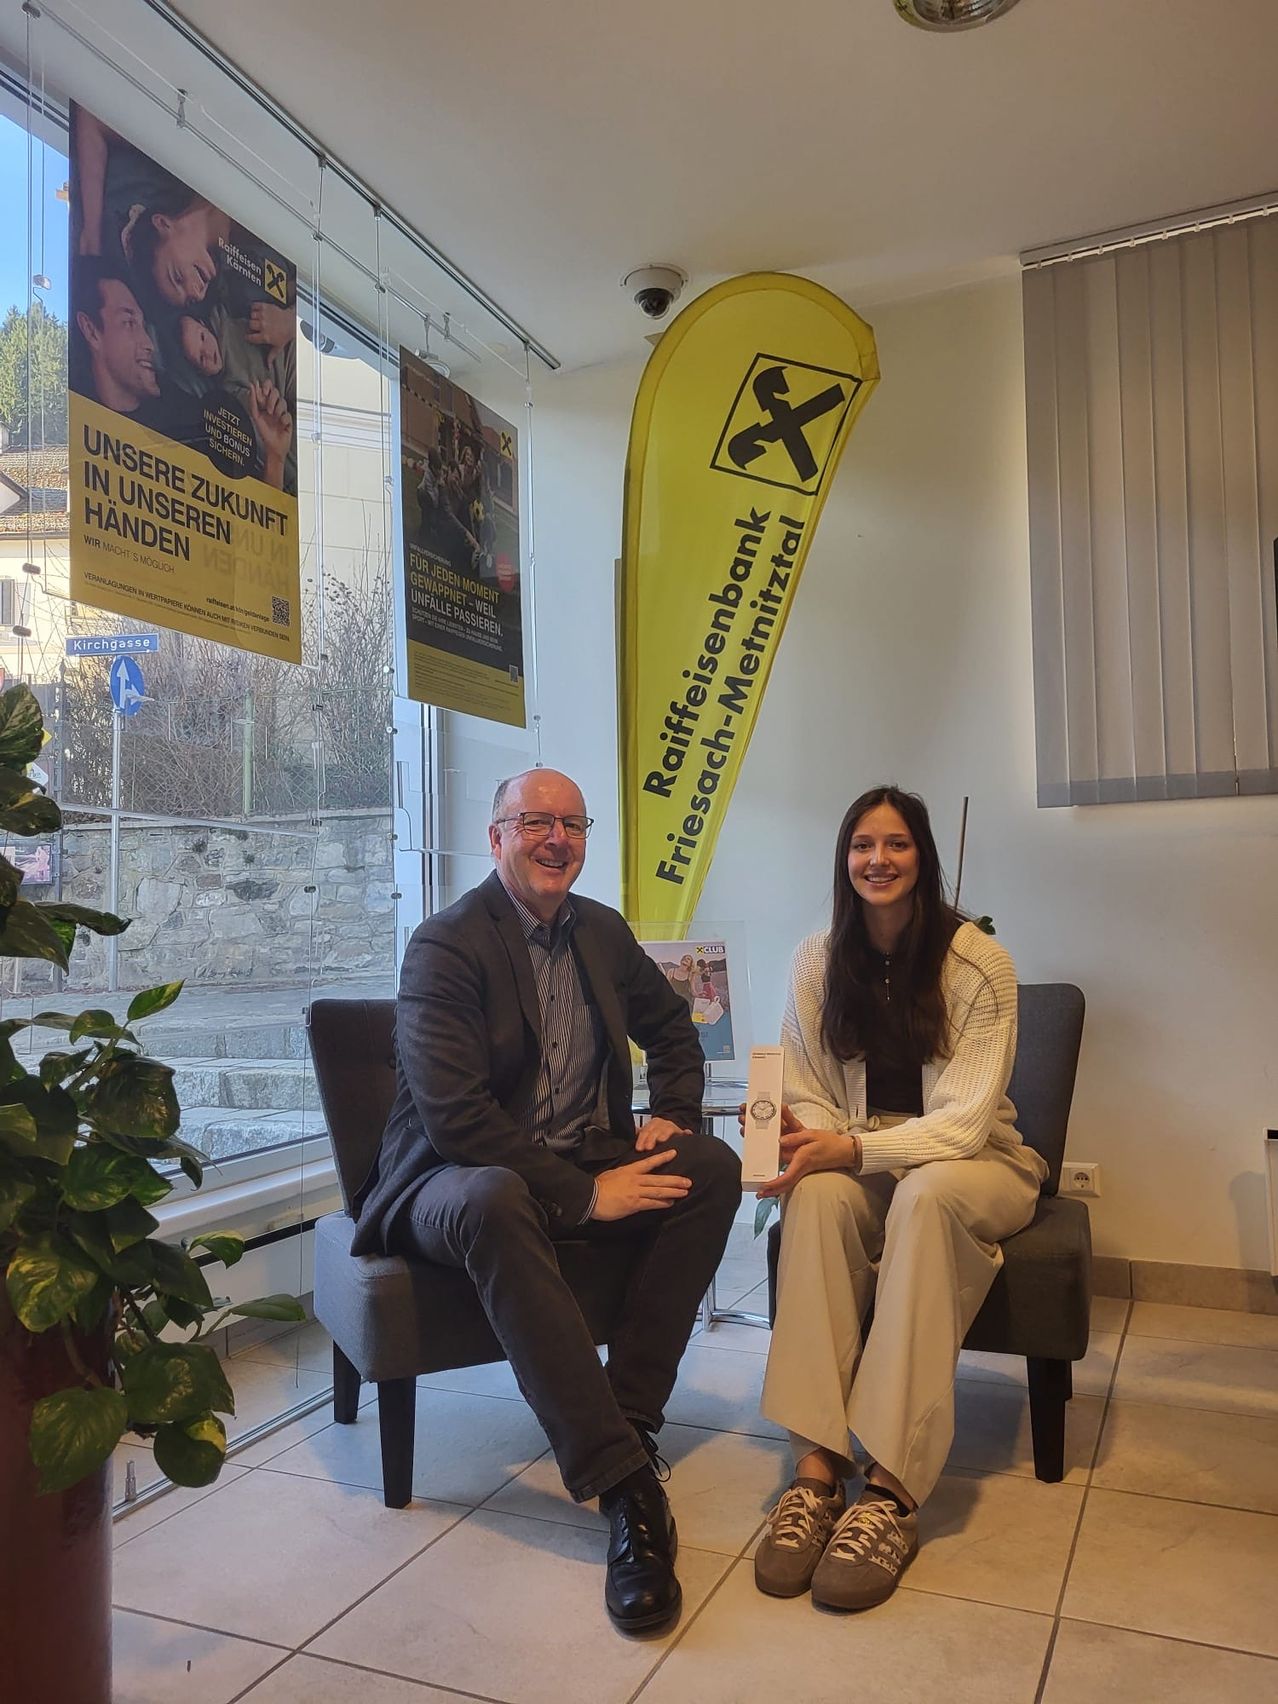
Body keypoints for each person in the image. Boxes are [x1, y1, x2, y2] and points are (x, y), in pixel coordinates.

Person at [351, 768, 741, 1633]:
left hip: (577, 1152)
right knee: (497, 1197)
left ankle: (631, 1415)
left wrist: (670, 1118)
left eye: (571, 823)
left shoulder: (602, 932)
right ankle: (625, 1487)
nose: (555, 838)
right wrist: (585, 1196)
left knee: (709, 1166)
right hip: (444, 1179)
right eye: (534, 821)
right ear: (497, 838)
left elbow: (675, 1031)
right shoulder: (445, 944)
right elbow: (457, 1120)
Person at [752, 785, 1047, 1613]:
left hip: (977, 1157)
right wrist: (808, 1140)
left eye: (896, 845)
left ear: (924, 858)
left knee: (924, 1200)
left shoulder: (980, 961)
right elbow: (806, 1085)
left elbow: (960, 1127)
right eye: (861, 846)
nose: (876, 861)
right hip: (866, 1152)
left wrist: (852, 1148)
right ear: (843, 860)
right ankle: (816, 1466)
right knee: (813, 1202)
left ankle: (891, 1490)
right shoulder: (817, 959)